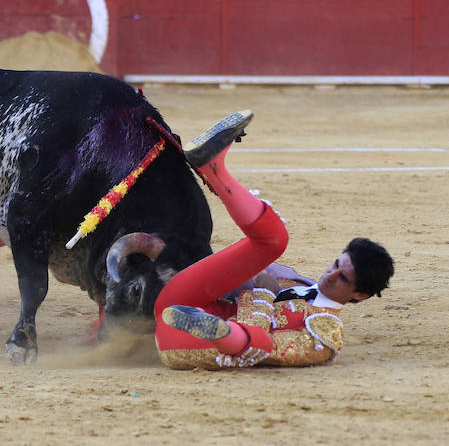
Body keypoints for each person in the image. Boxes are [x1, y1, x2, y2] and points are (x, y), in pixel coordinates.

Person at [154, 110, 394, 369]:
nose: (331, 274)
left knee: (263, 343)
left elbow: (269, 354)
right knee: (273, 241)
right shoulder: (294, 281)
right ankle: (213, 168)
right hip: (175, 304)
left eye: (343, 278)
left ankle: (220, 331)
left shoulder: (324, 333)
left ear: (360, 295)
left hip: (185, 343)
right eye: (337, 264)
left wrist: (263, 295)